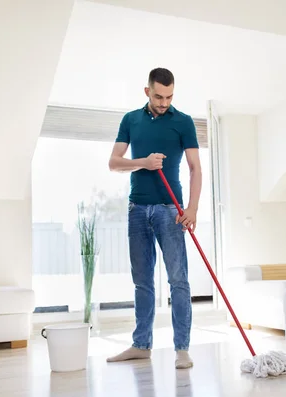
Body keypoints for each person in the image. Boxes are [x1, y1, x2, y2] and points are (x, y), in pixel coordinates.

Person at [107, 68, 202, 369]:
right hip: (137, 210)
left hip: (170, 212)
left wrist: (193, 208)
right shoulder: (130, 120)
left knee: (178, 281)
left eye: (169, 96)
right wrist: (144, 164)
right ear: (147, 91)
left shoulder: (183, 122)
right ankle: (141, 345)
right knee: (142, 282)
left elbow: (195, 168)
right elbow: (114, 163)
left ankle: (182, 349)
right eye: (159, 96)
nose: (164, 102)